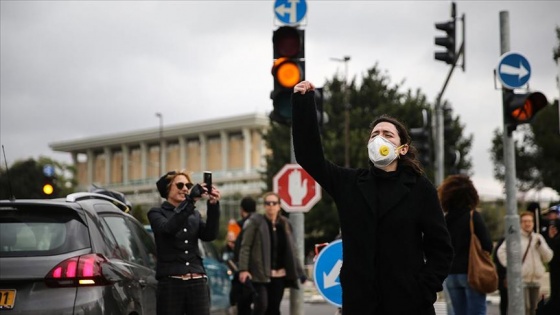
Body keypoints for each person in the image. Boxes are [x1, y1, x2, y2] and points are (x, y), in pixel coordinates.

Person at [290, 81, 454, 314]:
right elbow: (309, 156)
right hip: (361, 303)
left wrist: (424, 289)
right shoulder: (349, 183)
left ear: (402, 148)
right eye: (375, 134)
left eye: (388, 134)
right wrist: (304, 103)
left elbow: (441, 248)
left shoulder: (419, 188)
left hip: (409, 304)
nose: (379, 138)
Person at [148, 170, 221, 315]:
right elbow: (168, 228)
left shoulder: (194, 214)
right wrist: (191, 201)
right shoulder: (156, 213)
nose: (185, 189)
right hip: (171, 283)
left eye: (188, 185)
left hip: (197, 281)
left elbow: (209, 235)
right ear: (167, 189)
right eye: (180, 185)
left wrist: (213, 204)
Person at [237, 192, 305, 315]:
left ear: (279, 206)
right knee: (261, 306)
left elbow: (292, 250)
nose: (271, 206)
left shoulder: (285, 224)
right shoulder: (255, 222)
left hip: (279, 275)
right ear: (264, 206)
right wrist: (243, 269)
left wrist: (300, 271)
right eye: (268, 203)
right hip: (260, 274)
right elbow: (245, 247)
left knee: (274, 309)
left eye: (274, 203)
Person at [438, 174, 493, 315]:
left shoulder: (445, 220)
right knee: (477, 311)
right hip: (472, 272)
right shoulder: (473, 216)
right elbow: (487, 245)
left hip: (450, 274)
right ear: (471, 194)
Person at [498, 211, 554, 315]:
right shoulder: (515, 238)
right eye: (525, 221)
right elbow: (501, 252)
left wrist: (541, 246)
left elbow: (548, 257)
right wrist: (511, 266)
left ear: (533, 223)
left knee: (534, 308)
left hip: (536, 279)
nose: (527, 224)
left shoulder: (538, 238)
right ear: (520, 223)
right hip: (521, 279)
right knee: (525, 308)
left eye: (530, 221)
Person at [540, 204, 560, 314]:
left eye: (555, 215)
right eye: (550, 215)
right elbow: (547, 249)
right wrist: (551, 238)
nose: (552, 218)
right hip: (554, 264)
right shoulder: (547, 230)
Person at [493, 237, 508, 315]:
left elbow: (495, 259)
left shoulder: (502, 240)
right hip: (505, 276)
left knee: (504, 301)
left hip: (502, 276)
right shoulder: (504, 241)